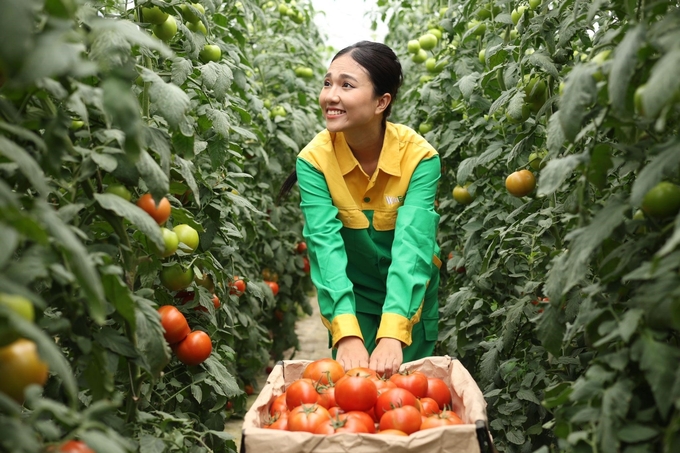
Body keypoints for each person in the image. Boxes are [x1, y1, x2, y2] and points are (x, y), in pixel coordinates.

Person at [280, 41, 442, 377]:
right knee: (355, 396)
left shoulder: (420, 158)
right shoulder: (314, 161)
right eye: (328, 83)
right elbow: (325, 247)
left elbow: (413, 246)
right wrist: (347, 331)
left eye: (346, 85)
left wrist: (394, 331)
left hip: (410, 296)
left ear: (382, 102)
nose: (330, 96)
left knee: (408, 400)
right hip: (350, 296)